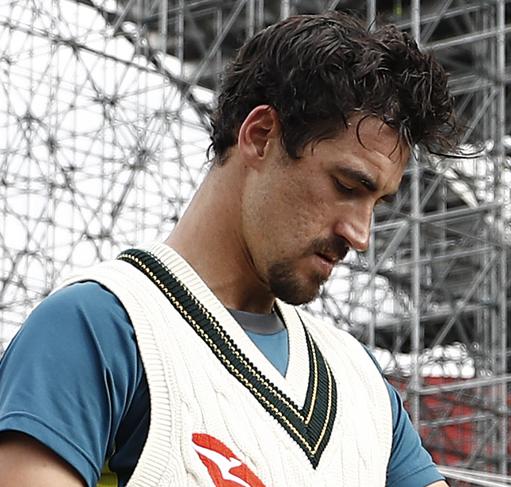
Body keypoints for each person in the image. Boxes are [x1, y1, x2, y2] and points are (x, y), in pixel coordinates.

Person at [0, 11, 459, 487]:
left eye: (377, 203)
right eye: (346, 185)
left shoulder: (361, 385)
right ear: (260, 136)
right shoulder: (99, 331)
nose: (361, 235)